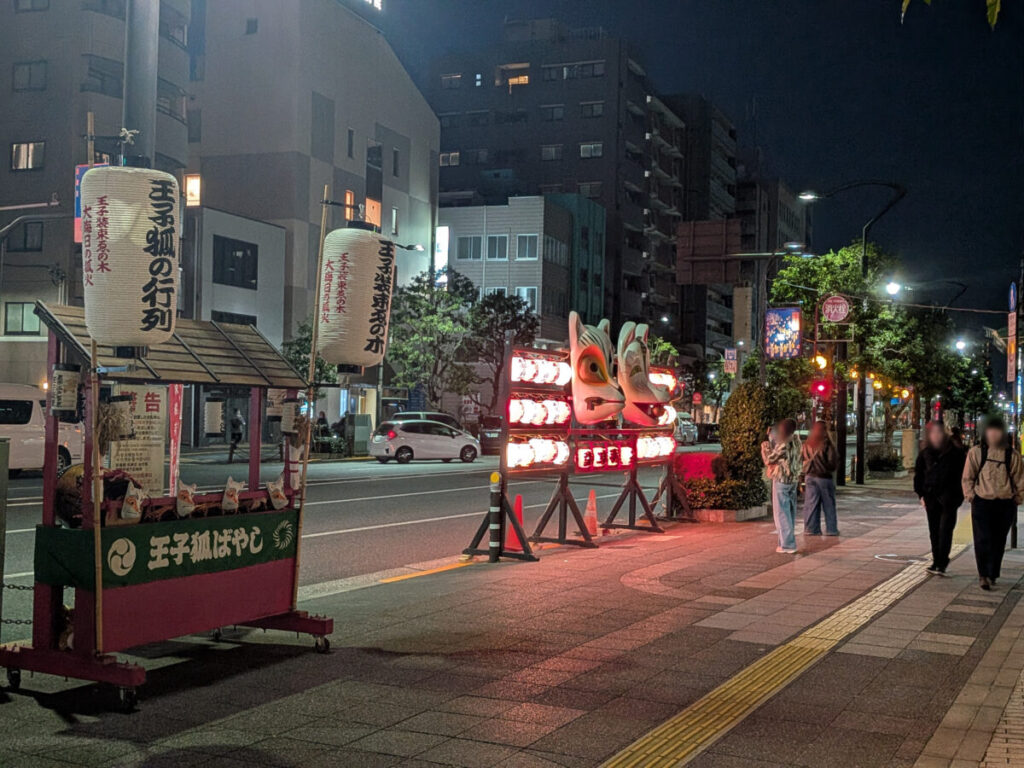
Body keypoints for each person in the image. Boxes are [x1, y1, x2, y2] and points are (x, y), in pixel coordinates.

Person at [962, 415, 1024, 590]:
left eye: (997, 430)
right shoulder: (977, 452)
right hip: (982, 502)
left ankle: (993, 572)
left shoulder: (1011, 455)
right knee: (982, 539)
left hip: (1005, 503)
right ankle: (983, 574)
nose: (994, 434)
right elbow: (968, 477)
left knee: (998, 540)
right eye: (991, 430)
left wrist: (1019, 497)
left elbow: (1019, 478)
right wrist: (970, 495)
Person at [915, 421, 967, 576]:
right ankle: (936, 560)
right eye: (933, 433)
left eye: (939, 432)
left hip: (950, 499)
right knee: (934, 530)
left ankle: (942, 562)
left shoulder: (956, 453)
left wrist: (959, 497)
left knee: (945, 530)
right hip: (931, 497)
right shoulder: (925, 453)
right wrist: (921, 494)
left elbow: (963, 476)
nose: (936, 436)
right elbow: (919, 475)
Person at [762, 418, 803, 554]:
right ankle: (785, 542)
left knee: (781, 513)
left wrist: (765, 445)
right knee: (790, 512)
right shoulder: (797, 442)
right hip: (793, 480)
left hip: (782, 480)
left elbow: (769, 459)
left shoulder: (784, 444)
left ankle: (788, 545)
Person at [802, 421, 839, 536]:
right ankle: (831, 529)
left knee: (811, 504)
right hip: (824, 477)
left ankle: (811, 529)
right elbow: (832, 462)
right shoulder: (826, 443)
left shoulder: (807, 443)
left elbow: (801, 458)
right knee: (829, 504)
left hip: (810, 476)